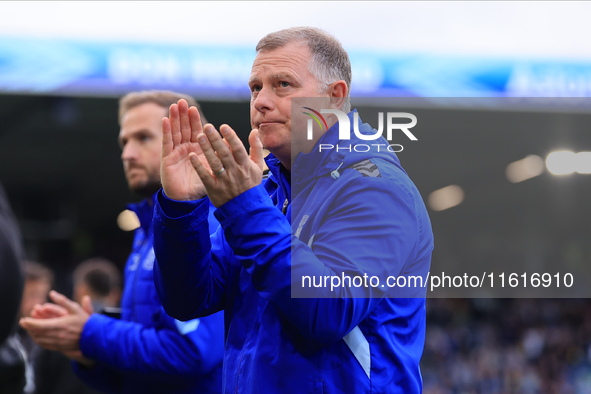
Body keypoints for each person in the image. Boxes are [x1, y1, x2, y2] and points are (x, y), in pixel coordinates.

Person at [152, 27, 434, 393]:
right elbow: (189, 299)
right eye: (255, 87)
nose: (260, 101)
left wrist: (244, 204)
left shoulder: (376, 186)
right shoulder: (267, 189)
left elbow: (328, 312)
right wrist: (182, 209)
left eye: (282, 84)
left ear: (334, 97)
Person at [20, 91, 224, 394]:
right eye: (124, 142)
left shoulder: (208, 226)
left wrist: (92, 332)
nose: (127, 153)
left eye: (143, 138)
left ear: (189, 142)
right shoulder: (145, 231)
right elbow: (136, 376)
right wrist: (86, 353)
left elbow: (192, 353)